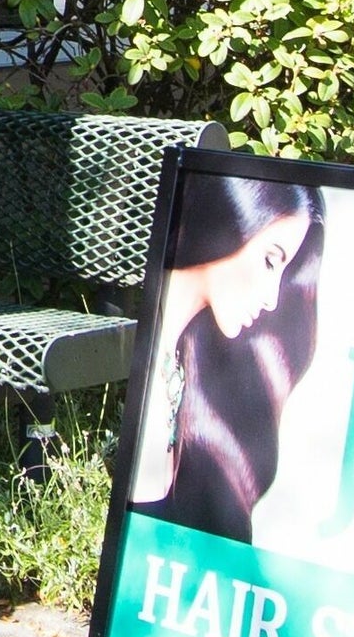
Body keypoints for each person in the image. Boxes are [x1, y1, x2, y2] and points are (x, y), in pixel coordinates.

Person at [130, 172, 327, 541]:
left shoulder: (189, 379)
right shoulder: (132, 357)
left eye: (284, 273)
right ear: (232, 217)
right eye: (270, 261)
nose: (271, 299)